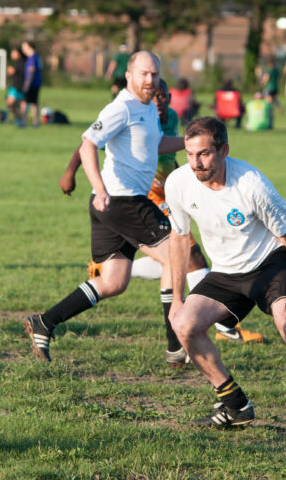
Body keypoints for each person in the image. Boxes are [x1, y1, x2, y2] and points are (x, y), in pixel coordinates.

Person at [166, 116, 286, 442]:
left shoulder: (251, 184)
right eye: (191, 154)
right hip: (226, 272)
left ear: (224, 150)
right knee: (183, 325)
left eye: (205, 153)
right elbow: (179, 239)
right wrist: (176, 297)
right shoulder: (178, 182)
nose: (196, 162)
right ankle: (235, 405)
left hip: (271, 263)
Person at [58, 79, 264, 351]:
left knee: (176, 259)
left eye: (163, 96)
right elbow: (91, 142)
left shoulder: (170, 117)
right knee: (189, 255)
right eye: (153, 96)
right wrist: (71, 171)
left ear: (168, 97)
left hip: (169, 190)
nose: (159, 101)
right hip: (146, 193)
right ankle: (220, 325)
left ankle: (115, 275)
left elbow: (168, 152)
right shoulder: (134, 117)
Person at [24, 51, 185, 364]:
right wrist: (98, 189)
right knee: (177, 256)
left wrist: (188, 143)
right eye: (143, 74)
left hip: (116, 204)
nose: (150, 80)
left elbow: (155, 145)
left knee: (113, 281)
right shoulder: (121, 108)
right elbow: (88, 144)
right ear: (129, 76)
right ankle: (176, 345)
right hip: (121, 201)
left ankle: (44, 322)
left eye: (154, 74)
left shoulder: (148, 108)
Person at [21, 41, 43, 127]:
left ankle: (23, 122)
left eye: (24, 47)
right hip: (36, 83)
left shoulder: (32, 58)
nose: (23, 49)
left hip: (31, 83)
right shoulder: (37, 57)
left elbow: (31, 70)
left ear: (30, 47)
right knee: (34, 103)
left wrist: (27, 83)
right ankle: (35, 123)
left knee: (24, 102)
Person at [6, 47, 26, 126]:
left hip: (18, 86)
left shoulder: (22, 62)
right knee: (16, 103)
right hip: (16, 85)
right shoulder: (18, 62)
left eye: (13, 52)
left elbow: (22, 73)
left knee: (13, 103)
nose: (12, 54)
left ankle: (20, 119)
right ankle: (20, 119)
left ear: (18, 53)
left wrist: (14, 71)